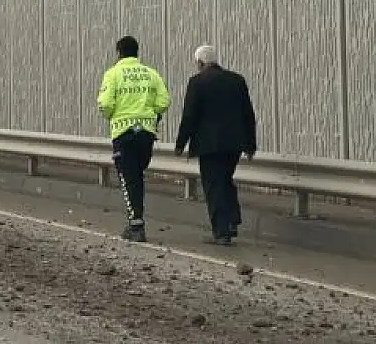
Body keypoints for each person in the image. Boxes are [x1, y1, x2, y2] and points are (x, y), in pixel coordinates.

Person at [175, 45, 257, 246]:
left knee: (214, 185)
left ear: (200, 63)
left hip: (209, 145)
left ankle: (222, 231)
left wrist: (180, 143)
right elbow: (248, 113)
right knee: (225, 179)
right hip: (235, 143)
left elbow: (190, 116)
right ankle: (232, 221)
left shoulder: (197, 82)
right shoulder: (237, 80)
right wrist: (251, 144)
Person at [97, 35, 170, 243]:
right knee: (137, 176)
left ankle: (136, 225)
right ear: (137, 52)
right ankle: (136, 220)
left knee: (128, 178)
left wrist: (113, 115)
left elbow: (105, 104)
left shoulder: (113, 74)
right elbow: (164, 101)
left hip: (123, 132)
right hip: (146, 132)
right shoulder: (151, 73)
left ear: (119, 53)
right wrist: (149, 113)